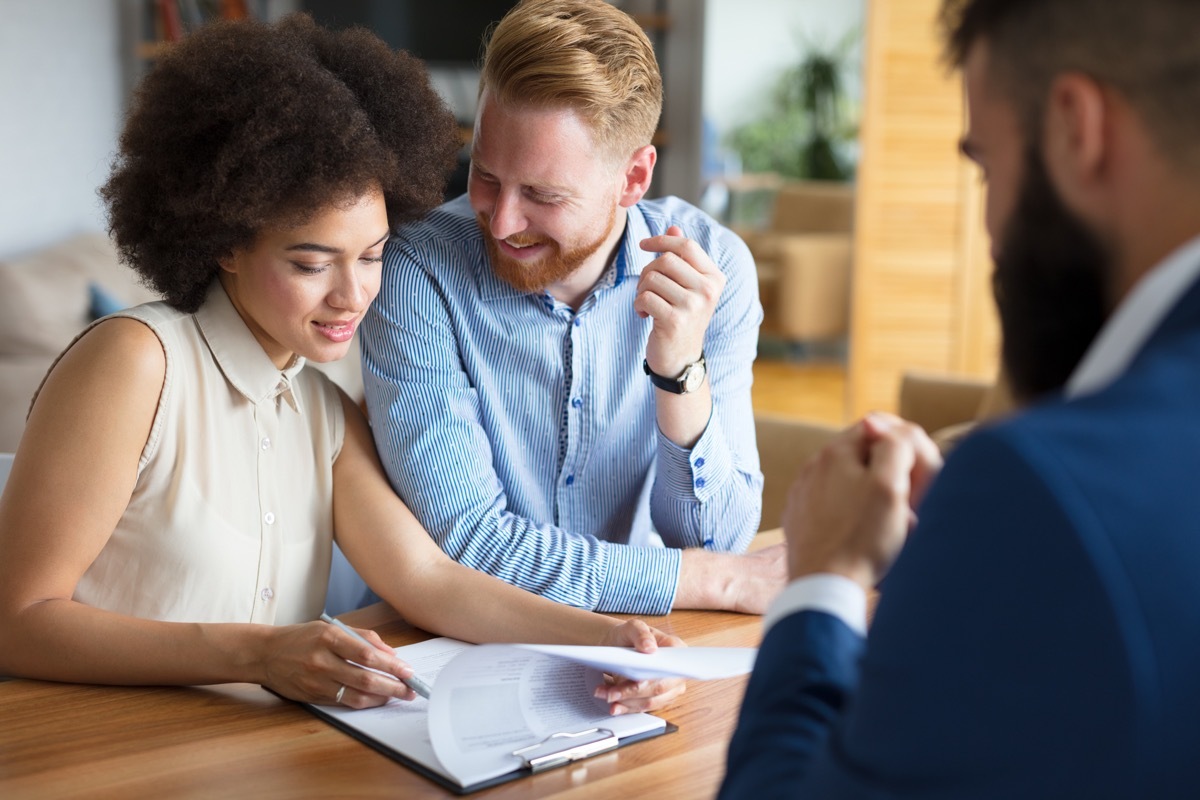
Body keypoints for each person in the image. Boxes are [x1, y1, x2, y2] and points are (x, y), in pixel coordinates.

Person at [0, 14, 685, 715]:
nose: (353, 296)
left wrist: (612, 640)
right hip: (91, 761)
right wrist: (258, 654)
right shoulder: (136, 363)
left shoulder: (321, 410)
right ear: (225, 242)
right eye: (310, 262)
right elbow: (17, 621)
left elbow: (432, 581)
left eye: (371, 256)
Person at [720, 0, 1200, 796]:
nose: (992, 232)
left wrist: (824, 579)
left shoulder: (1040, 490)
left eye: (985, 164)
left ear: (1076, 128)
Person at [359, 0, 785, 617]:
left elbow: (716, 540)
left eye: (541, 194)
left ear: (633, 179)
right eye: (483, 174)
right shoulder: (418, 270)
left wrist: (678, 371)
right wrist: (705, 581)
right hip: (447, 647)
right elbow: (469, 548)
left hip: (642, 652)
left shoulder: (713, 270)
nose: (502, 221)